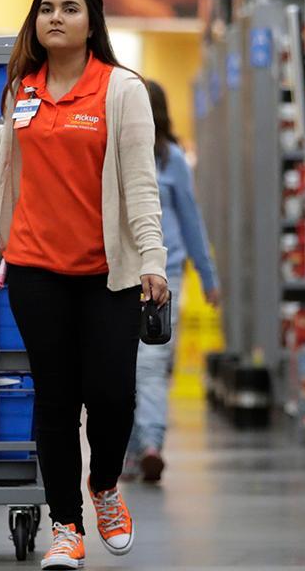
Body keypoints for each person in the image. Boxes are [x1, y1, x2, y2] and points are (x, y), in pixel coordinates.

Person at [0, 0, 168, 571]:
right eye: (46, 8)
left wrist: (154, 258)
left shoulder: (120, 90)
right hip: (35, 270)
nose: (56, 17)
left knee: (110, 395)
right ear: (35, 21)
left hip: (108, 274)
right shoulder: (24, 90)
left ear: (93, 23)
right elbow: (7, 147)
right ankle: (66, 527)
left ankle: (105, 486)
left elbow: (140, 184)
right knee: (55, 400)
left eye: (70, 8)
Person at [124, 79, 218, 484]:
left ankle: (148, 447)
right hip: (118, 271)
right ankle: (138, 449)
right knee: (122, 367)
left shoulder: (171, 159)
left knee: (149, 363)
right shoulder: (116, 153)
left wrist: (207, 275)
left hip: (164, 272)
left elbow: (191, 221)